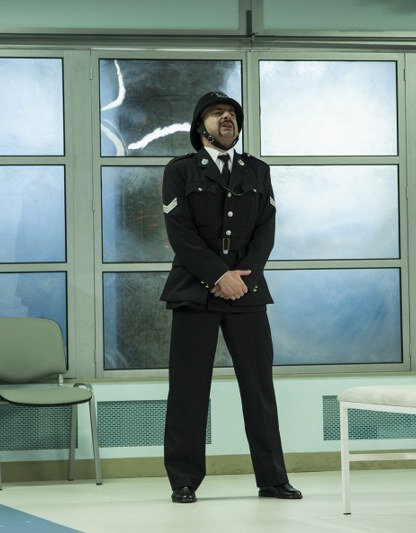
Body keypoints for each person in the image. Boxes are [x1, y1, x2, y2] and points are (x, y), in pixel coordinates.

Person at [159, 92, 301, 504]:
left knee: (259, 389)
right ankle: (184, 480)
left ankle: (272, 479)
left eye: (232, 114)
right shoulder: (180, 170)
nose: (227, 118)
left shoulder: (257, 170)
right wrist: (218, 276)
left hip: (246, 292)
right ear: (199, 126)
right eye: (217, 113)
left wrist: (242, 278)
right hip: (195, 292)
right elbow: (180, 233)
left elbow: (265, 230)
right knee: (188, 389)